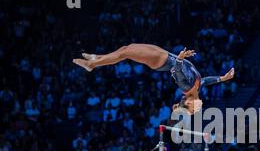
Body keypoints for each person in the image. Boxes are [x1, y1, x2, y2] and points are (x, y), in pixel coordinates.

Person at [73, 44, 235, 115]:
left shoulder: (185, 86)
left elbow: (176, 69)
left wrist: (180, 57)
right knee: (126, 48)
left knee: (125, 53)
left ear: (189, 102)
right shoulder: (197, 88)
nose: (198, 108)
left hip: (161, 61)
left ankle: (93, 65)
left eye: (194, 110)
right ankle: (97, 57)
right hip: (166, 55)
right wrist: (223, 78)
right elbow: (206, 80)